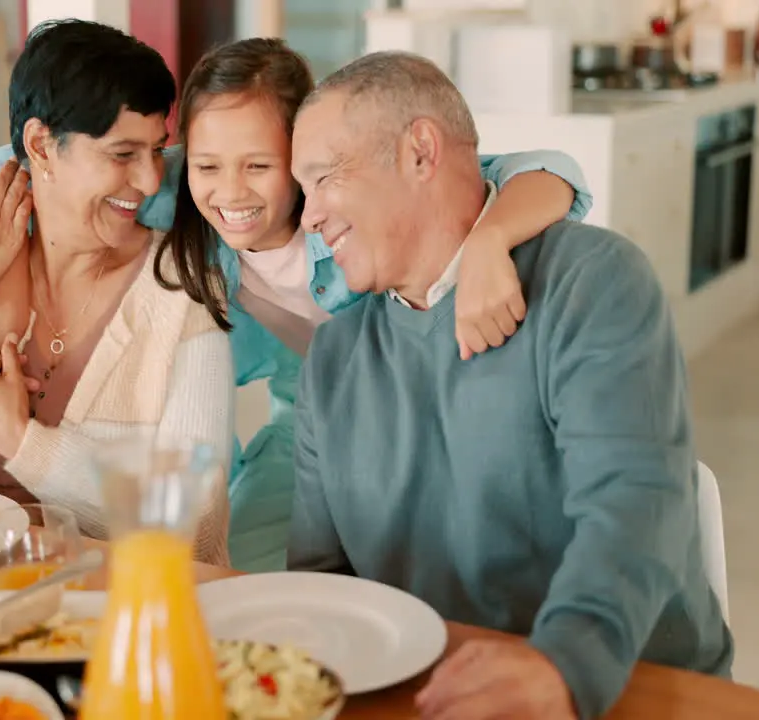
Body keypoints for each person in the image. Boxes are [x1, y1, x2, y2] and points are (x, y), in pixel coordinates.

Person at [0, 38, 593, 572]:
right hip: (304, 424)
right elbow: (12, 170)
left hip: (417, 427)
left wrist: (490, 241)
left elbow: (549, 170)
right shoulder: (184, 194)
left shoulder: (351, 203)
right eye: (207, 163)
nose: (230, 192)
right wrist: (5, 314)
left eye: (261, 165)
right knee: (246, 580)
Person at [289, 52, 732, 720]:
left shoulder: (593, 281)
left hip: (629, 692)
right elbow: (321, 586)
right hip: (435, 697)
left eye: (324, 178)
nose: (308, 216)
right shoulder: (334, 358)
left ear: (419, 152)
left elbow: (636, 502)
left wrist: (563, 665)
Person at [0, 19, 234, 566]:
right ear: (41, 145)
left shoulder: (182, 286)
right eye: (122, 153)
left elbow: (191, 527)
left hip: (121, 609)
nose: (152, 180)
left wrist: (20, 440)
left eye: (157, 151)